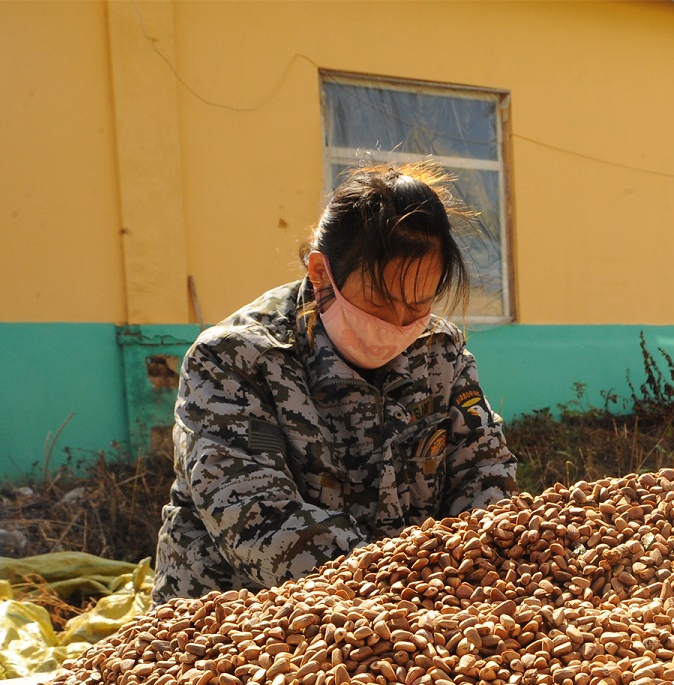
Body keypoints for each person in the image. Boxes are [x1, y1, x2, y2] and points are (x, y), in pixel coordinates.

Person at [152, 163, 518, 602]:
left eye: (418, 305)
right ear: (321, 273)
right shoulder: (234, 359)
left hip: (405, 613)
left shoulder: (439, 351)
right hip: (239, 618)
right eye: (380, 301)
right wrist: (398, 585)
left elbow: (484, 470)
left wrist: (475, 567)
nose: (399, 324)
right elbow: (255, 520)